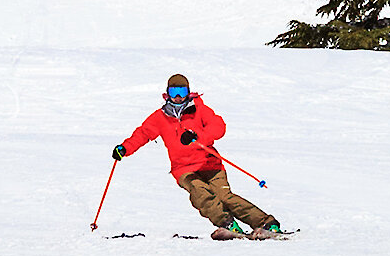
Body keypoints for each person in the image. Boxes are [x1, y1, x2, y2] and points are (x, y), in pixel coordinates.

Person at [112, 73, 284, 240]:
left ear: (188, 92)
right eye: (173, 92)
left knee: (225, 197)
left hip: (210, 164)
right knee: (199, 192)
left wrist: (197, 136)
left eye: (182, 92)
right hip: (184, 169)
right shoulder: (160, 117)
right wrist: (124, 148)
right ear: (166, 94)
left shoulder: (199, 109)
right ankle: (227, 224)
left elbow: (219, 126)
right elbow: (143, 134)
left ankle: (267, 223)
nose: (178, 97)